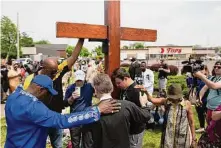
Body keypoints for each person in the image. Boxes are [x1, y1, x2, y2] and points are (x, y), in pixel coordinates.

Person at [5, 75, 121, 148]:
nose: (48, 97)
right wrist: (97, 110)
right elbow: (62, 120)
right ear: (41, 90)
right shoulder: (34, 107)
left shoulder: (14, 97)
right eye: (48, 93)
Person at [23, 39, 85, 148]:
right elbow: (25, 101)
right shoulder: (31, 79)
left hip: (55, 117)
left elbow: (73, 58)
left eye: (57, 71)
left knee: (58, 144)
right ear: (44, 69)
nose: (56, 73)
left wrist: (81, 39)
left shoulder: (56, 72)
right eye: (53, 72)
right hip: (40, 119)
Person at [88, 73, 151, 148]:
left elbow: (87, 141)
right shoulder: (127, 105)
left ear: (95, 90)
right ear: (112, 88)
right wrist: (143, 104)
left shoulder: (90, 112)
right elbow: (145, 116)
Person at [136, 83, 196, 148]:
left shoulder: (186, 104)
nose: (173, 99)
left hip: (182, 136)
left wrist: (193, 138)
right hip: (168, 136)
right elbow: (152, 100)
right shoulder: (166, 101)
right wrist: (146, 92)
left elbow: (191, 122)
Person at [112, 68, 146, 148]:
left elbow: (141, 113)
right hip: (127, 129)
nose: (117, 85)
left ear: (126, 79)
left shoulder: (136, 91)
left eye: (119, 83)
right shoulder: (124, 89)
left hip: (135, 130)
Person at [194, 61, 221, 147]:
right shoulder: (213, 78)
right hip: (209, 108)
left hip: (218, 110)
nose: (216, 68)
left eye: (219, 67)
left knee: (214, 131)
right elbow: (204, 88)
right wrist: (200, 98)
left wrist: (201, 76)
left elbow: (214, 86)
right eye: (215, 66)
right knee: (211, 129)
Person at [64, 70, 94, 148]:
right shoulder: (71, 88)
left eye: (80, 80)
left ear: (84, 79)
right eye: (77, 80)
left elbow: (98, 93)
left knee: (88, 143)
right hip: (75, 119)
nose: (79, 82)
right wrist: (71, 98)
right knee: (75, 143)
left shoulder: (89, 87)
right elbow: (65, 104)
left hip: (87, 118)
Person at [195, 65, 210, 133]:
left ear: (206, 70)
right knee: (200, 113)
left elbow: (205, 89)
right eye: (199, 69)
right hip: (199, 99)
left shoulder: (208, 78)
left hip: (206, 99)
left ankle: (210, 127)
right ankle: (202, 127)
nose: (200, 71)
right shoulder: (198, 79)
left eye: (202, 69)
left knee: (208, 114)